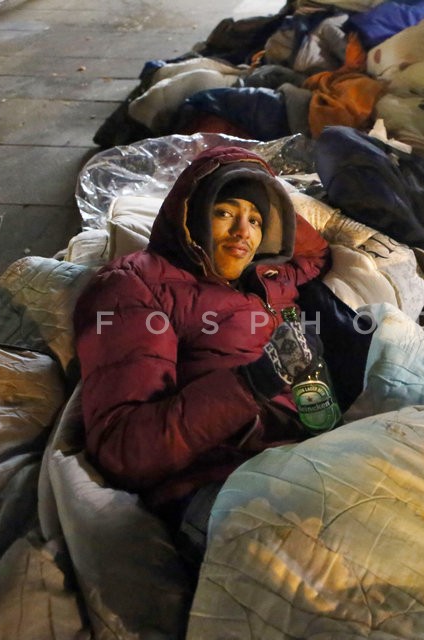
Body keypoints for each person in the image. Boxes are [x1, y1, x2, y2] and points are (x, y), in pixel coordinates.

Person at [73, 146, 335, 560]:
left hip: (306, 454)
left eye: (255, 221)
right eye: (224, 212)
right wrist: (251, 383)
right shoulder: (136, 285)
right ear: (191, 213)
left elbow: (315, 252)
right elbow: (122, 446)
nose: (242, 233)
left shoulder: (266, 274)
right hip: (217, 480)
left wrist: (267, 189)